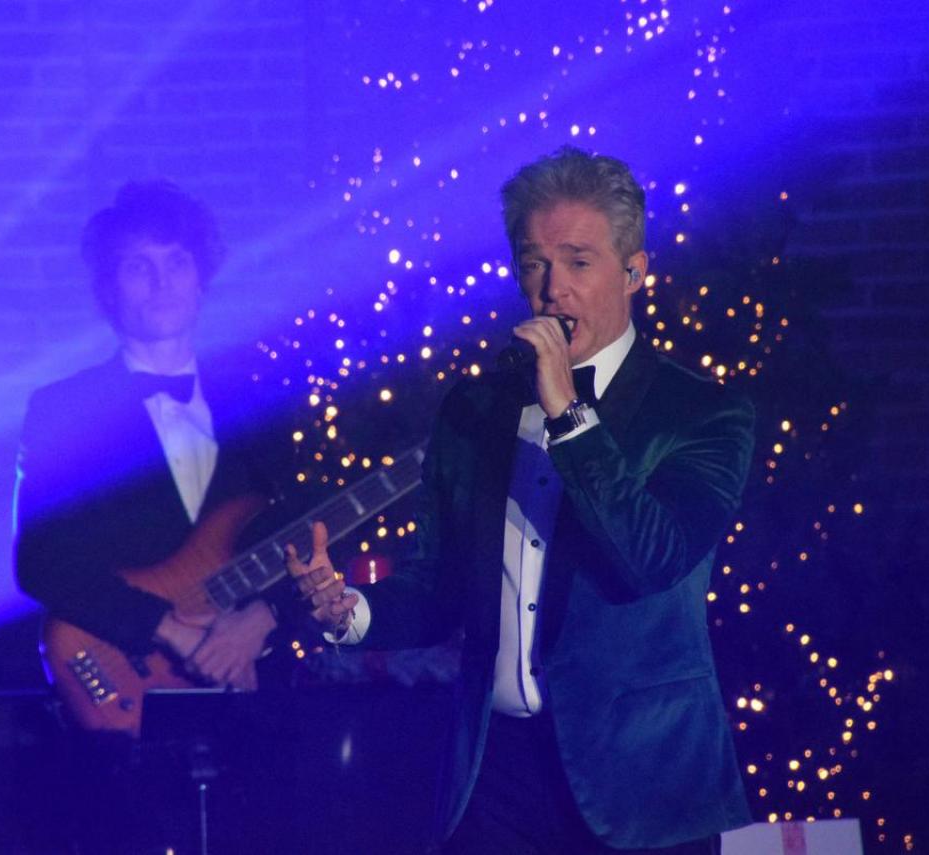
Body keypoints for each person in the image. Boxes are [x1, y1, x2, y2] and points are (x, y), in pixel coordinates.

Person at [288, 147, 756, 854]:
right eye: (534, 263)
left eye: (578, 262)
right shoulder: (476, 410)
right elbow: (442, 584)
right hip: (496, 777)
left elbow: (649, 557)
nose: (552, 289)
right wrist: (350, 611)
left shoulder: (702, 412)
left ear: (634, 271)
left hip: (640, 781)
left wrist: (568, 412)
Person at [15, 179, 292, 697]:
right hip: (132, 688)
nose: (162, 283)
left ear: (201, 278)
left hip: (261, 691)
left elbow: (311, 532)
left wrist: (264, 617)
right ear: (108, 290)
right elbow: (41, 560)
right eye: (138, 267)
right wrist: (169, 630)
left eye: (177, 262)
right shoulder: (64, 410)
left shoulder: (262, 401)